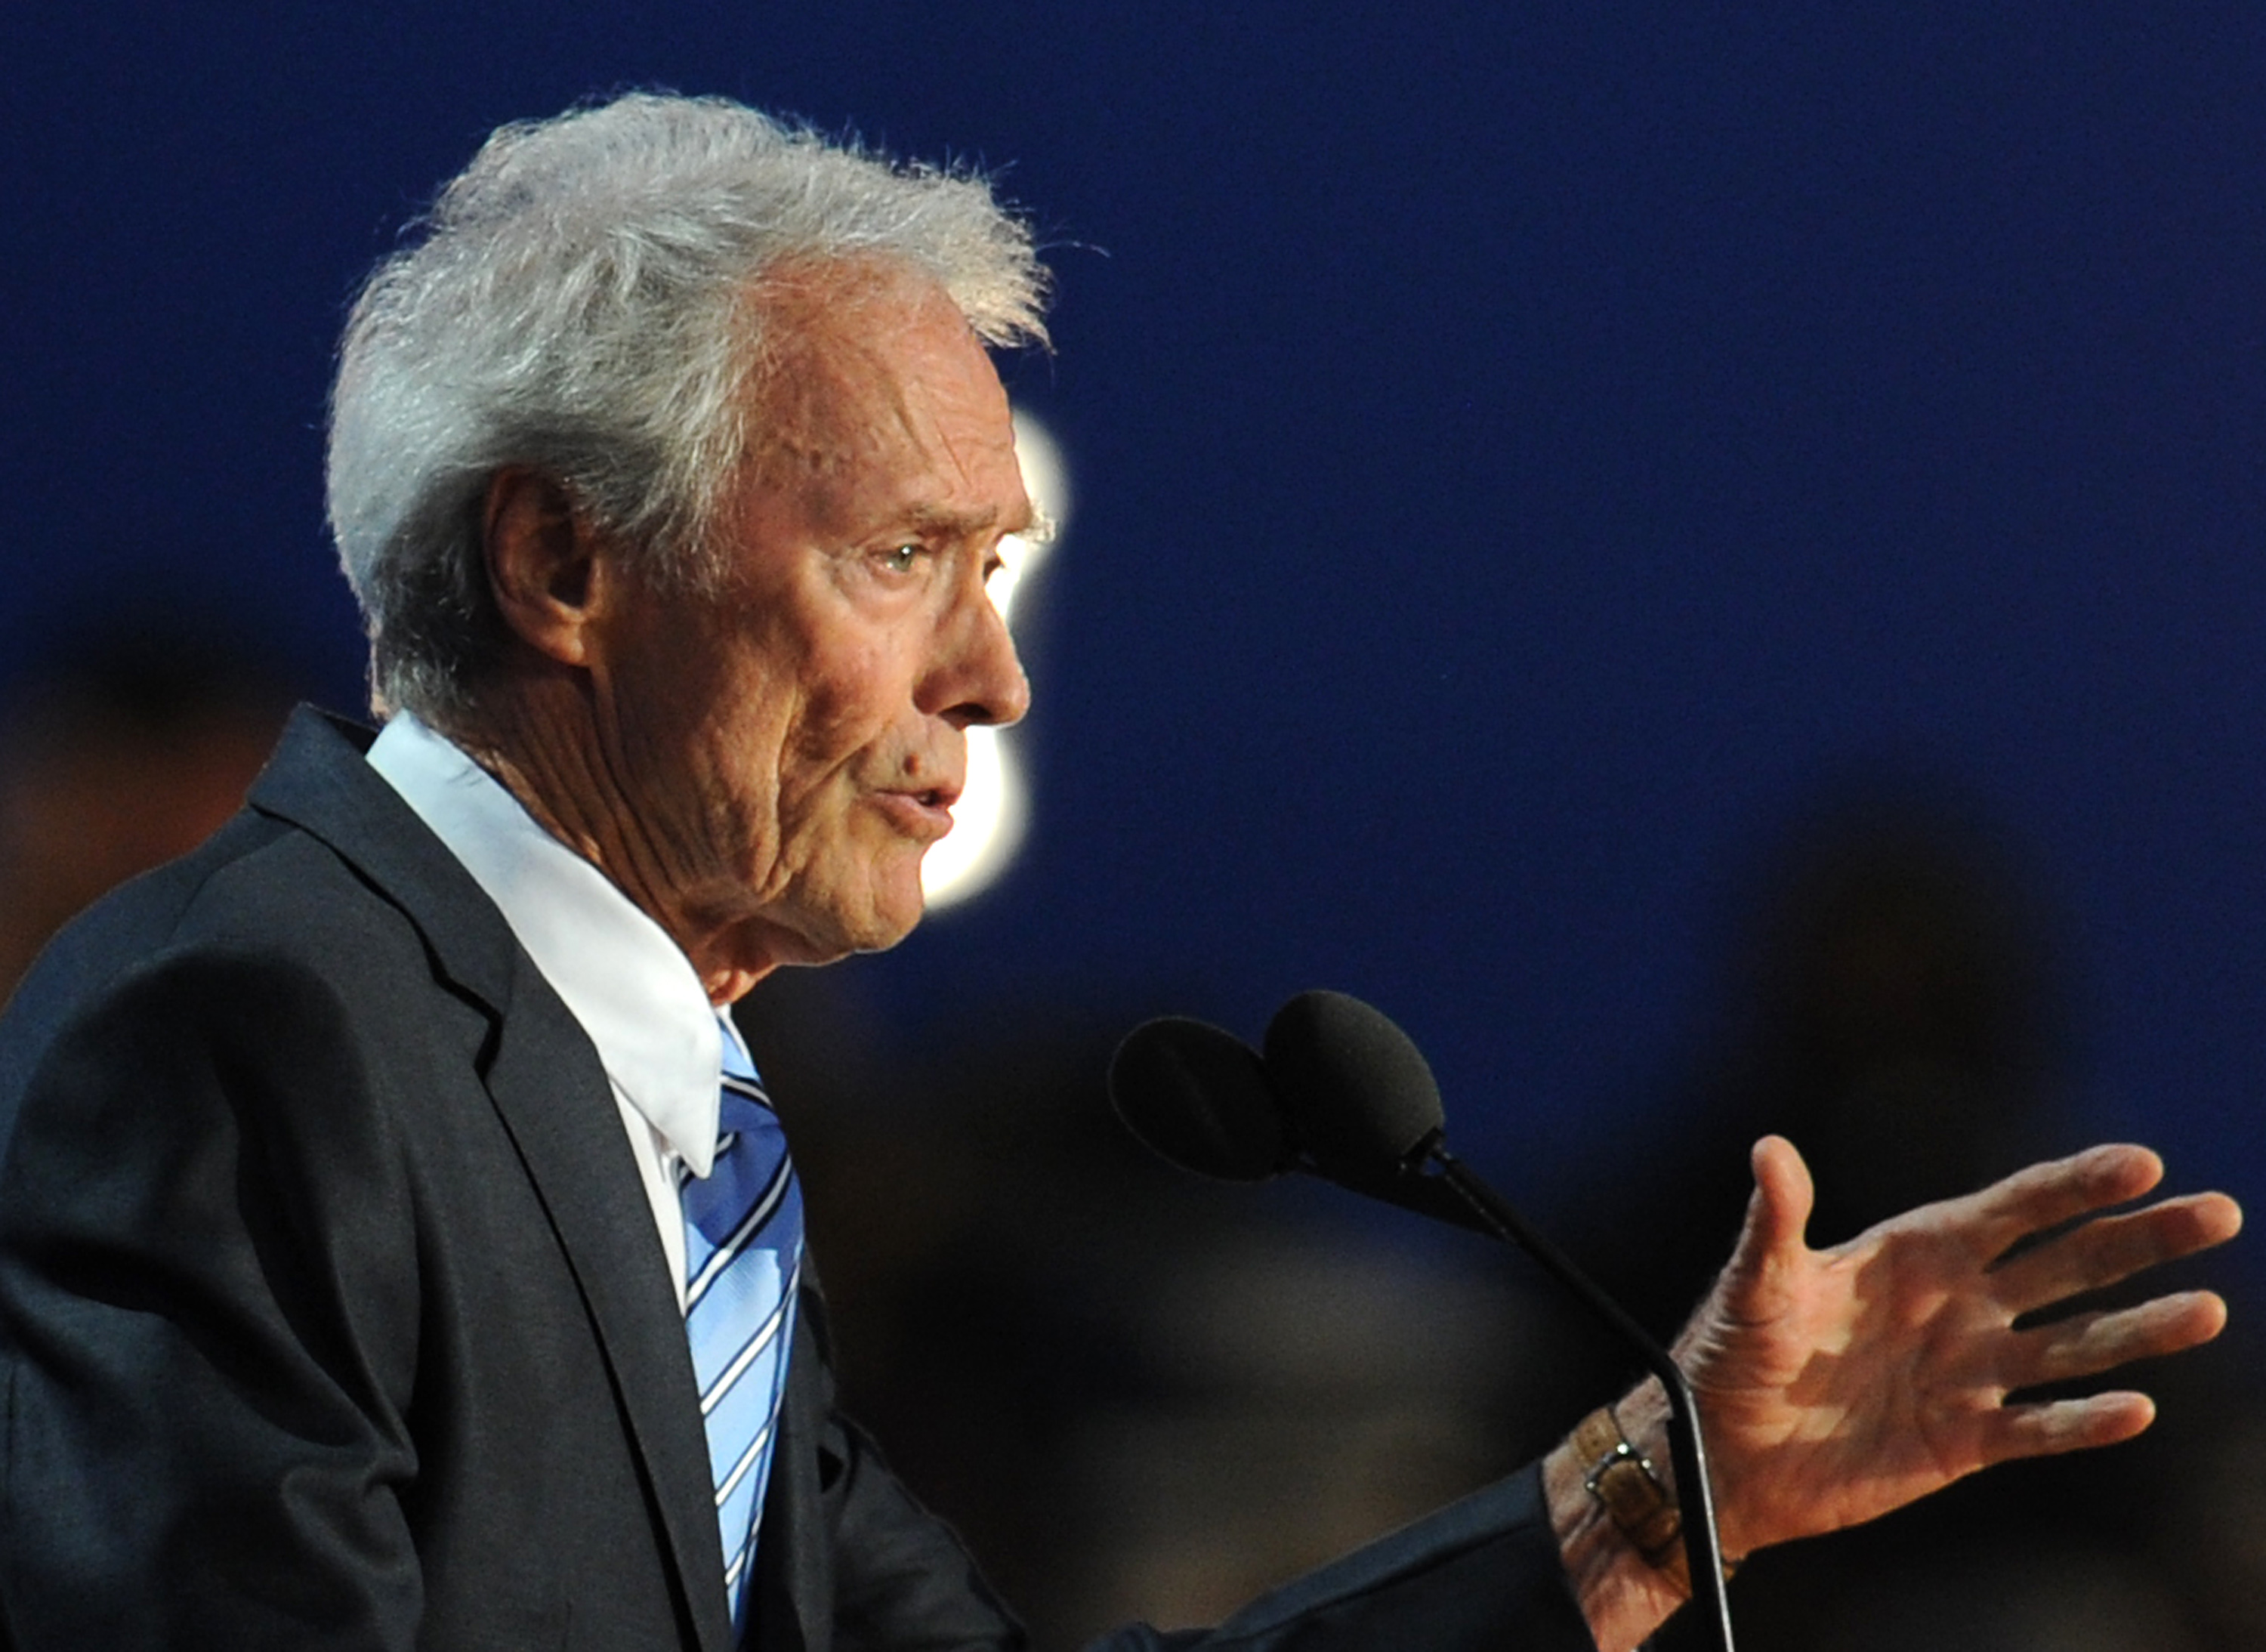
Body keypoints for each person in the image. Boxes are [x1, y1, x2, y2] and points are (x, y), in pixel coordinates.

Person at [0, 91, 2238, 1652]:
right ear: (564, 564)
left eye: (994, 571)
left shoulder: (684, 1136)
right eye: (904, 558)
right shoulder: (250, 1033)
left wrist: (1660, 1497)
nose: (992, 677)